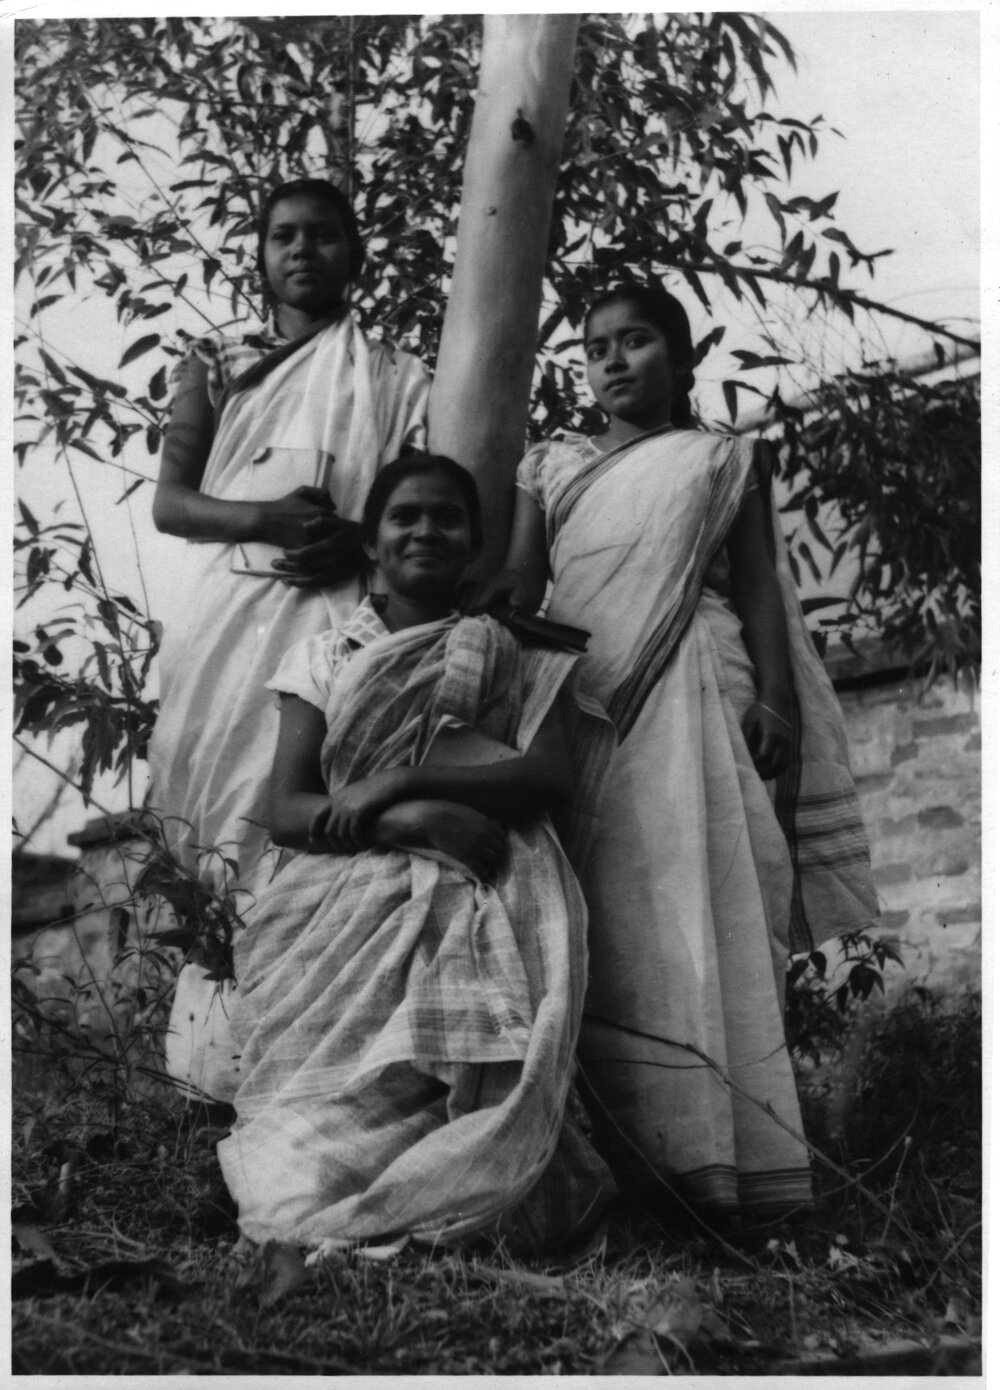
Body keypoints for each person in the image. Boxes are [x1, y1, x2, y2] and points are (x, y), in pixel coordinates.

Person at [481, 282, 879, 1219]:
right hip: (586, 699)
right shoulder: (552, 467)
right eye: (593, 349)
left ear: (685, 356)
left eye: (636, 342)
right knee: (610, 917)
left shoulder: (725, 459)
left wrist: (776, 700)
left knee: (706, 901)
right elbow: (522, 584)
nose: (612, 362)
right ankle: (622, 1163)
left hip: (701, 684)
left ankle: (727, 1164)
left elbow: (757, 589)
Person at [216, 454, 614, 1253]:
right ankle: (344, 1184)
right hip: (344, 888)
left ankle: (463, 1176)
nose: (425, 530)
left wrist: (404, 780)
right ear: (373, 544)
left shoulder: (511, 647)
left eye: (447, 518)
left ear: (473, 548)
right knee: (294, 1169)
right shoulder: (326, 656)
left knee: (465, 1057)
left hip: (485, 874)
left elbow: (548, 773)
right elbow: (286, 808)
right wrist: (404, 820)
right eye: (405, 517)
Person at [147, 179, 430, 1100]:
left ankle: (312, 1083)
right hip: (228, 624)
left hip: (333, 618)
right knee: (217, 837)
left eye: (322, 236)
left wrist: (351, 537)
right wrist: (269, 517)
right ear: (259, 255)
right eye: (282, 237)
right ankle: (213, 1084)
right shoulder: (216, 359)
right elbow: (174, 504)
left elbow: (411, 506)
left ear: (356, 254)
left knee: (307, 824)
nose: (302, 252)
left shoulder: (393, 375)